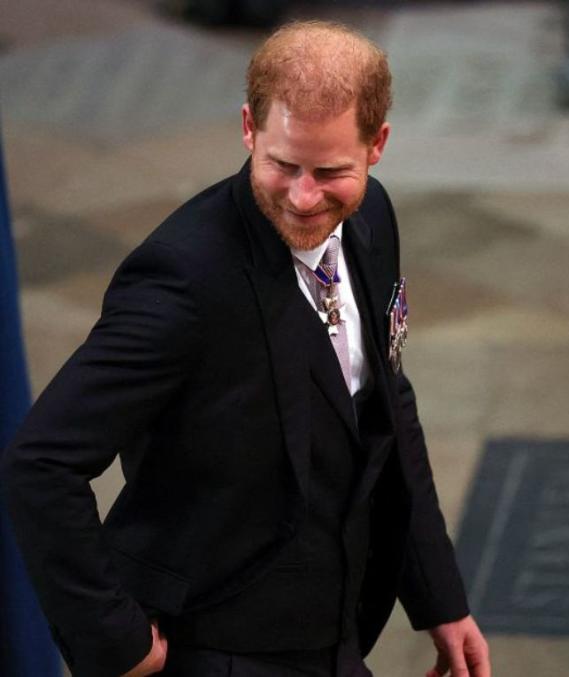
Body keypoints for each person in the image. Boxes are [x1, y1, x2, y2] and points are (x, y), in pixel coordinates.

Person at [0, 20, 489, 677]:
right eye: (283, 165)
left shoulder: (372, 221)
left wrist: (440, 596)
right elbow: (41, 460)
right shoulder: (184, 278)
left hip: (336, 638)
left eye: (330, 171)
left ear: (378, 145)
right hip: (215, 649)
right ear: (248, 129)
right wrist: (116, 640)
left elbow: (385, 407)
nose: (305, 196)